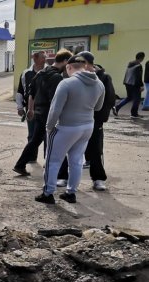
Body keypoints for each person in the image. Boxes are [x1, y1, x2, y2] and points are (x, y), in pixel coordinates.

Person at [35, 54, 105, 204]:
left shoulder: (66, 83)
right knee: (76, 160)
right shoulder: (99, 83)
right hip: (87, 126)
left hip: (66, 127)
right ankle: (71, 192)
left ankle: (48, 193)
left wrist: (49, 128)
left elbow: (55, 110)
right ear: (85, 66)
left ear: (69, 67)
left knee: (52, 161)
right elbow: (98, 107)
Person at [55, 52, 117, 191]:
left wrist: (100, 119)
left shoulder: (103, 78)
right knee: (68, 150)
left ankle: (98, 179)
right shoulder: (71, 78)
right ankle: (63, 177)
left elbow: (109, 100)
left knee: (95, 151)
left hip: (94, 122)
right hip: (74, 121)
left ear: (88, 64)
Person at [13, 49, 72, 176]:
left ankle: (20, 165)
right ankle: (59, 173)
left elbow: (31, 94)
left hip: (39, 112)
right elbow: (55, 100)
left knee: (35, 140)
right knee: (55, 141)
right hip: (48, 113)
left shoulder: (41, 73)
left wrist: (31, 109)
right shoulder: (56, 77)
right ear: (65, 61)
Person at [16, 51, 46, 161]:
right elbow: (20, 91)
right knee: (32, 134)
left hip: (45, 108)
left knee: (46, 135)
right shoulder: (26, 73)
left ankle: (47, 158)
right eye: (43, 57)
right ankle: (31, 157)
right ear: (35, 59)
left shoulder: (48, 72)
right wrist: (20, 107)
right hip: (30, 108)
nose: (45, 59)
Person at [114, 52, 145, 118]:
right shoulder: (138, 65)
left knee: (129, 97)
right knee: (137, 99)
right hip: (134, 84)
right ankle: (134, 114)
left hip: (127, 83)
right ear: (142, 58)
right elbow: (138, 77)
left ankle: (117, 107)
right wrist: (141, 85)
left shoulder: (130, 64)